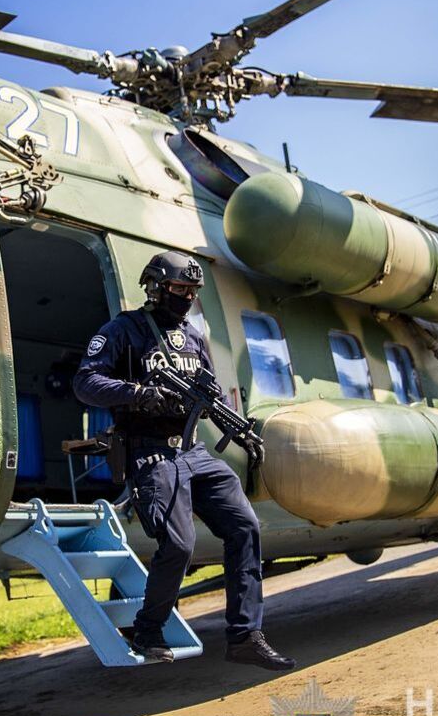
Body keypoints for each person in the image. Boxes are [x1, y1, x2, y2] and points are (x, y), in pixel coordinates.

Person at [73, 250, 295, 671]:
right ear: (156, 288)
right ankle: (149, 628)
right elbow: (87, 381)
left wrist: (230, 421)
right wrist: (138, 394)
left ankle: (246, 634)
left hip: (192, 451)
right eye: (179, 289)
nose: (186, 297)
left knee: (244, 526)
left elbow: (206, 391)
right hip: (151, 452)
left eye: (192, 291)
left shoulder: (194, 337)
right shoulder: (125, 330)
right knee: (178, 544)